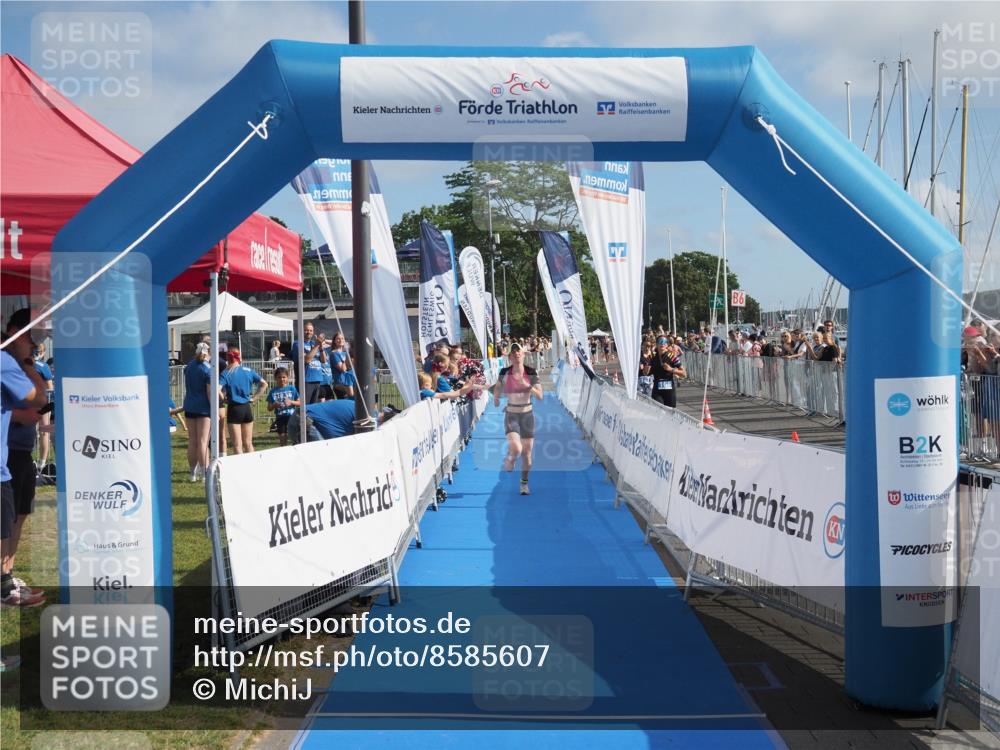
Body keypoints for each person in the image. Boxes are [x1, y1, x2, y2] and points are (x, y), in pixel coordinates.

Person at [2, 309, 49, 619]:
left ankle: (6, 580)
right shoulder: (6, 362)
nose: (36, 345)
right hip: (5, 463)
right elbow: (38, 398)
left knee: (14, 520)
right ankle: (5, 584)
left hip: (9, 460)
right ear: (16, 332)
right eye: (32, 338)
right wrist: (29, 364)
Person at [492, 342, 543, 495]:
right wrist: (496, 397)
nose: (516, 354)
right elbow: (498, 386)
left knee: (527, 454)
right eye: (513, 352)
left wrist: (527, 385)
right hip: (511, 414)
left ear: (524, 354)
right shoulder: (504, 371)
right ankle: (512, 457)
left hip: (527, 415)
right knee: (517, 448)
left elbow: (540, 396)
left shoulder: (531, 371)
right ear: (510, 357)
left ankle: (524, 484)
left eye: (518, 351)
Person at [220, 349, 266, 454]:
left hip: (234, 408)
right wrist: (254, 398)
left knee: (237, 445)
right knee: (248, 443)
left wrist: (223, 398)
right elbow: (264, 384)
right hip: (246, 408)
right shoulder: (248, 370)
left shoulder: (226, 372)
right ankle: (253, 466)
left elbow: (217, 389)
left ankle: (240, 469)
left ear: (228, 358)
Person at [183, 342, 213, 481]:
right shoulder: (208, 368)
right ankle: (205, 472)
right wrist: (213, 408)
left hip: (189, 405)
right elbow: (209, 392)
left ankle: (192, 473)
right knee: (203, 441)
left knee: (192, 440)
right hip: (203, 408)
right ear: (208, 353)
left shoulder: (189, 366)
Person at [291, 322, 328, 404]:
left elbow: (323, 360)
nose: (309, 332)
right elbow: (307, 359)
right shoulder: (297, 344)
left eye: (311, 330)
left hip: (317, 379)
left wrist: (321, 348)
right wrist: (317, 345)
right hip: (306, 380)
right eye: (306, 330)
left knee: (313, 407)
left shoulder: (314, 344)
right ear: (302, 331)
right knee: (305, 406)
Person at [267, 367, 300, 447]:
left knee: (295, 438)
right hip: (280, 417)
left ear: (287, 378)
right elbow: (269, 408)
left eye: (284, 377)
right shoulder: (272, 391)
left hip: (292, 416)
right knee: (282, 438)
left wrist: (291, 402)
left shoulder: (292, 388)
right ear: (275, 378)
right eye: (279, 377)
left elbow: (300, 402)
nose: (282, 379)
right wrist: (274, 405)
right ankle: (284, 453)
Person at [649, 336, 686, 408]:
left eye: (664, 342)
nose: (662, 344)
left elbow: (684, 373)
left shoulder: (672, 357)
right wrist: (646, 370)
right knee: (658, 410)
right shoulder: (652, 357)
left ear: (667, 345)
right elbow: (646, 373)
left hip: (669, 390)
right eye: (660, 342)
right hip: (657, 389)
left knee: (670, 412)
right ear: (656, 344)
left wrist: (671, 369)